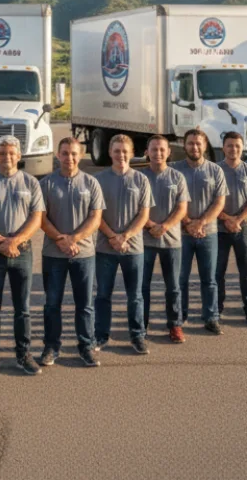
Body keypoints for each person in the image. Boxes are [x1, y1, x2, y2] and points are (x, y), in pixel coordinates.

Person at [0, 135, 47, 377]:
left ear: (19, 156)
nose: (7, 157)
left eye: (12, 153)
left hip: (22, 252)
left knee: (22, 308)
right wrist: (1, 242)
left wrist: (15, 241)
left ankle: (24, 355)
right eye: (2, 153)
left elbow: (37, 218)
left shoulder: (31, 183)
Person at [37, 136, 105, 368]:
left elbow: (96, 218)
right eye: (65, 153)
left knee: (84, 304)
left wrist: (73, 239)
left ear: (81, 155)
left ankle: (86, 346)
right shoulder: (46, 183)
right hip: (53, 254)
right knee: (52, 304)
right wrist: (60, 240)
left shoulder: (91, 183)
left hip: (83, 254)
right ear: (58, 155)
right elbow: (41, 219)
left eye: (74, 153)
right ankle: (51, 347)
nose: (69, 158)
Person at [94, 134, 152, 354]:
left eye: (125, 151)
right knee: (103, 295)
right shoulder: (98, 180)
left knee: (135, 295)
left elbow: (144, 214)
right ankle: (100, 335)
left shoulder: (141, 180)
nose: (121, 155)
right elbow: (95, 215)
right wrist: (112, 237)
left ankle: (137, 336)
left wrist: (124, 237)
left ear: (131, 153)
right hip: (105, 248)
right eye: (117, 151)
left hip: (133, 248)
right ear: (110, 152)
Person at [170, 129, 224, 336]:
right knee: (180, 279)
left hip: (208, 233)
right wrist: (187, 223)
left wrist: (200, 223)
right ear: (184, 145)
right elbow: (172, 201)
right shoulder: (175, 170)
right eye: (191, 143)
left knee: (209, 279)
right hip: (180, 234)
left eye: (198, 143)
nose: (194, 147)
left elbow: (219, 202)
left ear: (204, 145)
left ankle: (211, 317)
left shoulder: (215, 171)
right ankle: (179, 317)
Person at [147, 136, 191, 341]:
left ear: (168, 152)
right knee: (142, 286)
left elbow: (182, 208)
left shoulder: (177, 177)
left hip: (171, 241)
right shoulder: (139, 177)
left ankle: (175, 325)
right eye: (154, 149)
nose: (158, 153)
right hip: (144, 240)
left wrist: (164, 226)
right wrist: (151, 226)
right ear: (147, 152)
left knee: (173, 286)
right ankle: (141, 324)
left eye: (162, 149)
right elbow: (136, 208)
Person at [215, 132, 247, 326]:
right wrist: (227, 219)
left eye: (237, 146)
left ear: (242, 148)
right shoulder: (215, 170)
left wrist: (238, 220)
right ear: (223, 147)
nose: (233, 149)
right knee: (218, 272)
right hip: (219, 229)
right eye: (230, 145)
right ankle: (216, 310)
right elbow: (212, 202)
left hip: (245, 227)